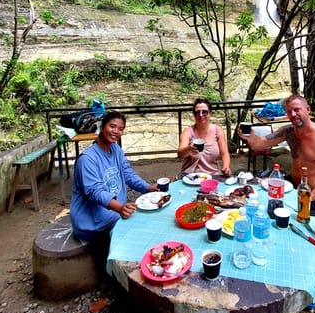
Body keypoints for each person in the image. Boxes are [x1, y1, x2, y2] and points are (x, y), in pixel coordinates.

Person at [240, 94, 315, 223]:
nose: (293, 114)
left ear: (307, 109)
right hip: (293, 186)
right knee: (259, 199)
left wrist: (308, 197)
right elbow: (260, 144)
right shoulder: (289, 132)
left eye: (297, 110)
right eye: (289, 111)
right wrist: (250, 137)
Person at [70, 110, 159, 243]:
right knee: (143, 227)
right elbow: (95, 192)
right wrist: (120, 208)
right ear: (101, 128)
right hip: (92, 222)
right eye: (112, 126)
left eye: (120, 129)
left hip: (114, 213)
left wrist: (147, 187)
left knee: (153, 215)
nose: (116, 131)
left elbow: (128, 174)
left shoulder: (116, 149)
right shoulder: (87, 159)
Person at [178, 97, 232, 177]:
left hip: (212, 175)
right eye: (197, 112)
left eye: (204, 112)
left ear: (210, 113)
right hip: (189, 176)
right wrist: (189, 148)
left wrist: (226, 167)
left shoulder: (218, 131)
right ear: (194, 115)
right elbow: (180, 154)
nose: (201, 115)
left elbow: (224, 154)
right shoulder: (188, 132)